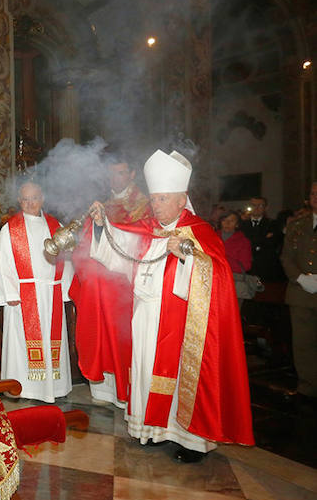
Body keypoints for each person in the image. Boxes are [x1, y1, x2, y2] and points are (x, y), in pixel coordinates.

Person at [88, 149, 254, 462]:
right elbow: (123, 251)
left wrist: (187, 255)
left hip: (179, 320)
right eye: (154, 199)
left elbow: (216, 275)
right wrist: (101, 226)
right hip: (145, 314)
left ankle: (190, 441)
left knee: (178, 377)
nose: (156, 205)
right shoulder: (150, 227)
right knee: (146, 371)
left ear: (182, 199)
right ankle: (152, 430)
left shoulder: (199, 231)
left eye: (163, 199)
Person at [70, 158, 151, 406]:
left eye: (120, 172)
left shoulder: (145, 206)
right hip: (98, 287)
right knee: (99, 334)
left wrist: (106, 226)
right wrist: (95, 225)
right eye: (111, 174)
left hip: (124, 286)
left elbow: (142, 240)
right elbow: (85, 244)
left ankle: (124, 392)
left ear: (132, 173)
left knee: (121, 337)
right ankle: (103, 388)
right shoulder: (103, 205)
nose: (115, 179)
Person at [0, 182, 74, 402]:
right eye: (26, 199)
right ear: (19, 201)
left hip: (51, 294)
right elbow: (3, 263)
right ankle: (23, 387)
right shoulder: (10, 228)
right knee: (22, 345)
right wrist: (9, 294)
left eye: (35, 198)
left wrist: (64, 289)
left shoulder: (55, 225)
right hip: (23, 296)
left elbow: (66, 259)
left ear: (43, 198)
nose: (30, 203)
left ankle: (54, 388)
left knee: (51, 340)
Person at [280, 181, 317, 407]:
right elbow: (286, 257)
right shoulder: (298, 225)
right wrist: (301, 278)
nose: (315, 197)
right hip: (301, 292)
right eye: (313, 193)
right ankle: (307, 387)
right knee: (303, 343)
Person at [239, 196, 282, 282]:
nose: (256, 208)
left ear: (266, 208)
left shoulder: (272, 224)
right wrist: (263, 238)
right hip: (247, 268)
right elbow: (242, 243)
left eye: (260, 206)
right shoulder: (241, 225)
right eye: (254, 205)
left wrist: (254, 241)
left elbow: (273, 244)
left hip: (266, 266)